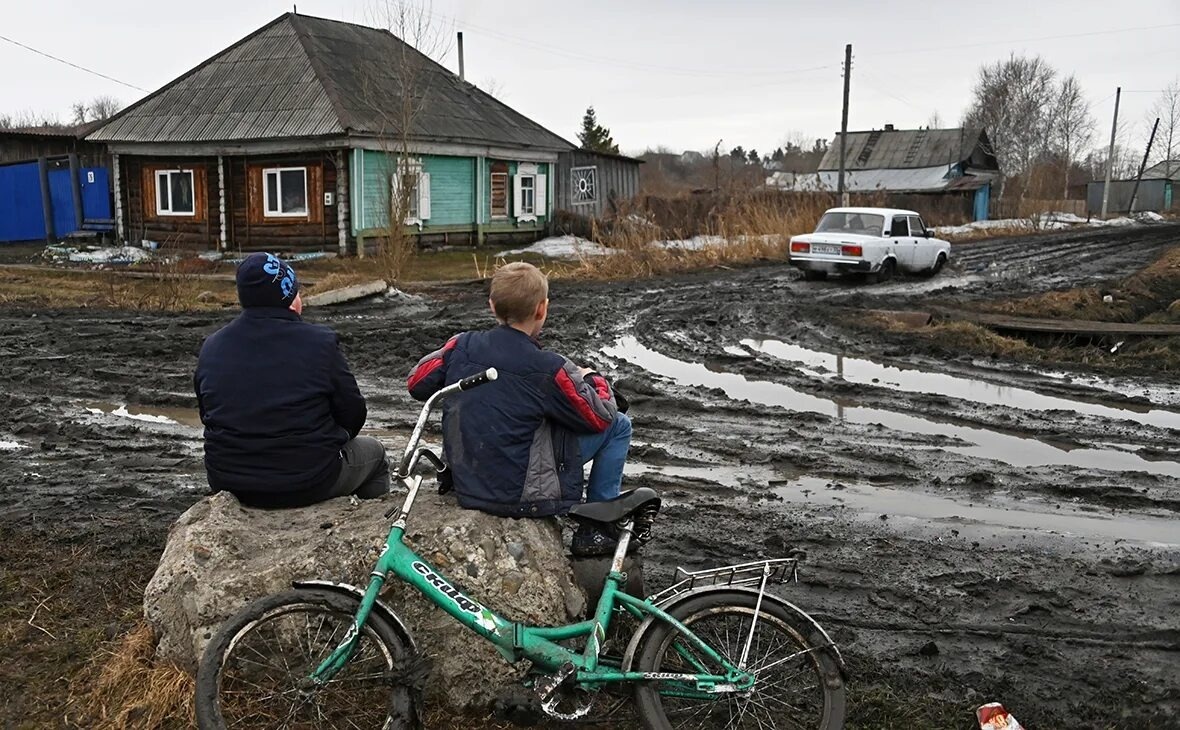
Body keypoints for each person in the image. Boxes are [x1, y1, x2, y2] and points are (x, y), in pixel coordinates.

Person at [406, 262, 631, 556]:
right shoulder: (550, 368)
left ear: (492, 306)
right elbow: (599, 416)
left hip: (465, 483)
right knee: (619, 426)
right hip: (522, 497)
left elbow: (417, 382)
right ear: (542, 309)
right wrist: (593, 379)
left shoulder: (460, 346)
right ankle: (597, 528)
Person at [194, 252, 389, 508]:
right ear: (288, 298)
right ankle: (371, 528)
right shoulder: (319, 343)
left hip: (228, 480)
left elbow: (207, 413)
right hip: (308, 481)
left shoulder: (212, 346)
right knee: (375, 454)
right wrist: (333, 438)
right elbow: (353, 413)